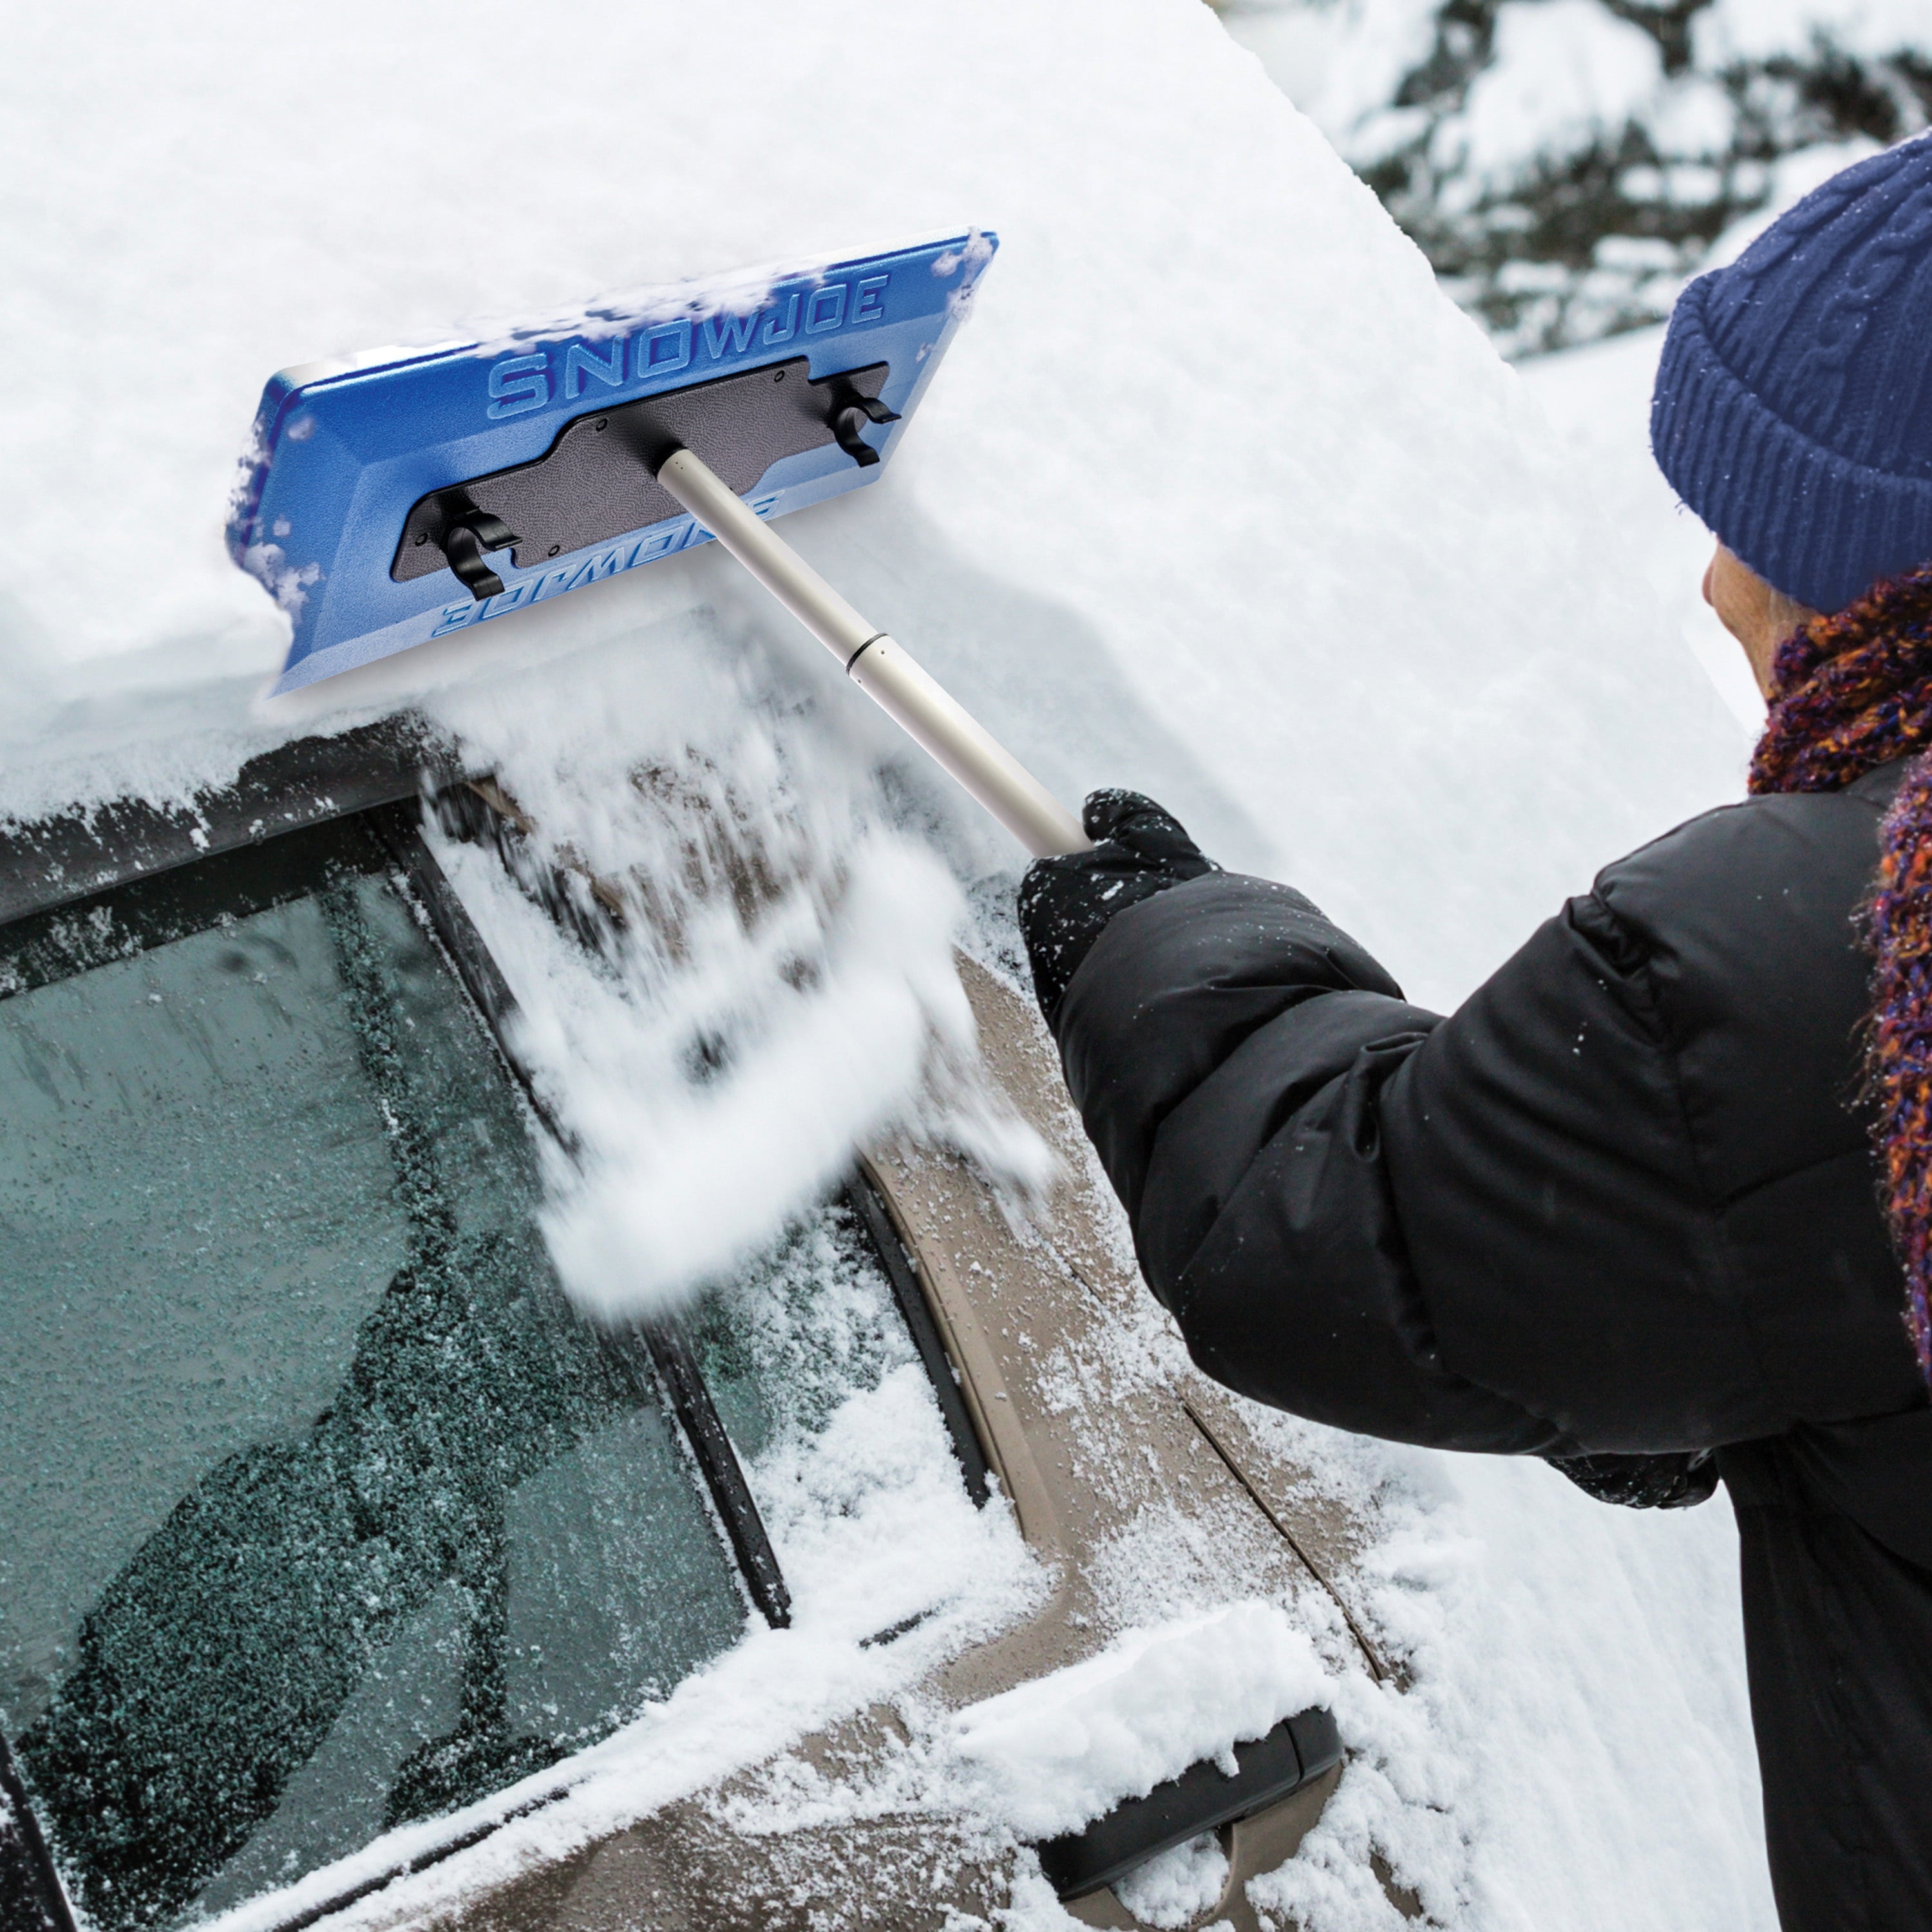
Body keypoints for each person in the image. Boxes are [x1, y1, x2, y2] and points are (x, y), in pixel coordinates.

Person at [1018, 137, 1932, 1932]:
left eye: (1776, 535)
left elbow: (1326, 1240)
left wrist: (1162, 944)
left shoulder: (1829, 960)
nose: (1719, 593)